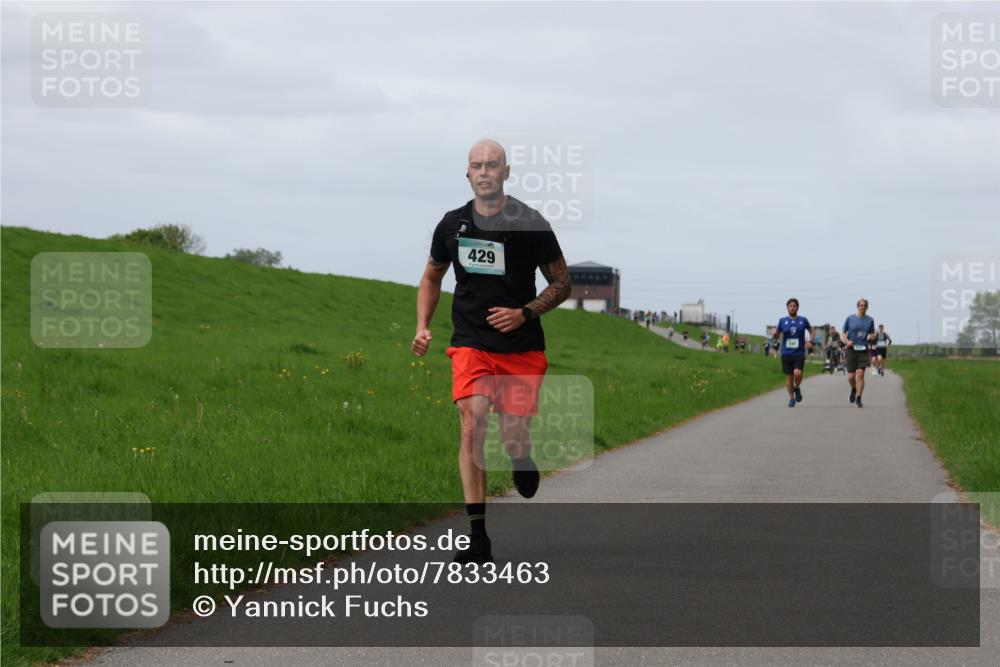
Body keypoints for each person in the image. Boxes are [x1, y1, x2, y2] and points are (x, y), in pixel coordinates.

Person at [413, 139, 571, 564]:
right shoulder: (451, 226)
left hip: (521, 348)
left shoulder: (529, 222)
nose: (484, 172)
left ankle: (520, 454)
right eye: (477, 166)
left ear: (506, 172)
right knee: (473, 421)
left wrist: (524, 313)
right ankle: (478, 537)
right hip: (471, 342)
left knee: (513, 434)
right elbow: (432, 278)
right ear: (467, 173)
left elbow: (562, 284)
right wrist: (423, 327)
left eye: (492, 165)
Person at [771, 298, 813, 407]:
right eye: (790, 306)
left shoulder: (803, 320)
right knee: (789, 377)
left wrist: (810, 341)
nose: (792, 307)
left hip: (799, 353)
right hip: (786, 353)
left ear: (797, 307)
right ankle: (791, 398)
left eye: (794, 305)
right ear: (787, 308)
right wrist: (774, 333)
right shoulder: (782, 321)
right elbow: (777, 334)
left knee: (798, 373)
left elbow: (812, 331)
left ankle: (797, 387)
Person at [841, 298, 876, 408]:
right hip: (851, 350)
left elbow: (872, 334)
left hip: (863, 350)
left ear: (867, 307)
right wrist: (847, 341)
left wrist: (873, 336)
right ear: (857, 306)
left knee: (860, 374)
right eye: (861, 305)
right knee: (851, 377)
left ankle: (859, 398)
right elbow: (842, 333)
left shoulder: (870, 320)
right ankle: (853, 388)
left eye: (864, 305)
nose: (862, 307)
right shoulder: (850, 319)